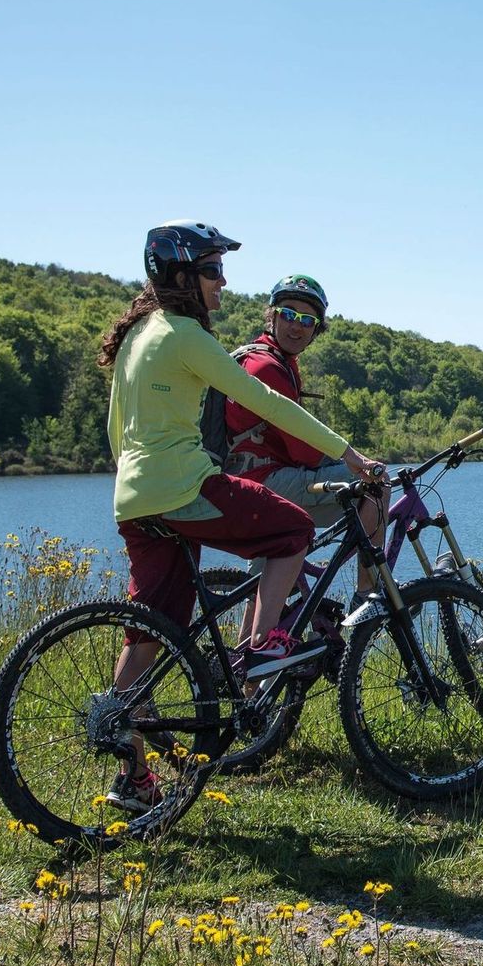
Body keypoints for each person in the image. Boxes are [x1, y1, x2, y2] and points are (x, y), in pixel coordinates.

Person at [98, 221, 383, 812]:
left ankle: (131, 765)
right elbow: (267, 404)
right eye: (212, 271)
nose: (222, 282)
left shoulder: (137, 335)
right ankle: (261, 649)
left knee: (154, 627)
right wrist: (348, 456)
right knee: (294, 531)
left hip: (134, 497)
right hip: (180, 485)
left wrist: (139, 480)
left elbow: (116, 427)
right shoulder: (184, 334)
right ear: (180, 277)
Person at [223, 274, 391, 621]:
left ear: (316, 330)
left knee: (266, 588)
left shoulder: (265, 359)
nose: (296, 326)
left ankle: (248, 668)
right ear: (272, 316)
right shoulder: (267, 367)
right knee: (376, 486)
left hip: (245, 482)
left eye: (307, 320)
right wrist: (354, 459)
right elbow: (304, 452)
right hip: (267, 481)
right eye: (288, 314)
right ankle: (367, 593)